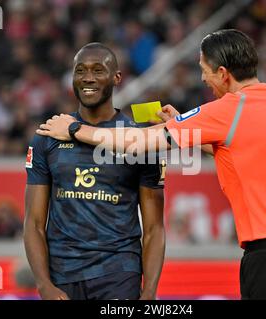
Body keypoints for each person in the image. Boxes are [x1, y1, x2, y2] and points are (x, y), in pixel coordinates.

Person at [37, 30, 266, 300]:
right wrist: (188, 130)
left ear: (224, 73)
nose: (202, 78)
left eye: (205, 70)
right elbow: (247, 145)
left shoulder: (226, 109)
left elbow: (139, 142)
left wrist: (75, 130)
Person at [24, 43, 166, 300]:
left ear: (117, 78)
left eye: (98, 70)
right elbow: (33, 223)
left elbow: (154, 227)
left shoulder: (140, 140)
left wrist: (149, 292)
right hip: (62, 276)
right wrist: (44, 284)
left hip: (118, 274)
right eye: (80, 71)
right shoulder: (47, 136)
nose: (88, 78)